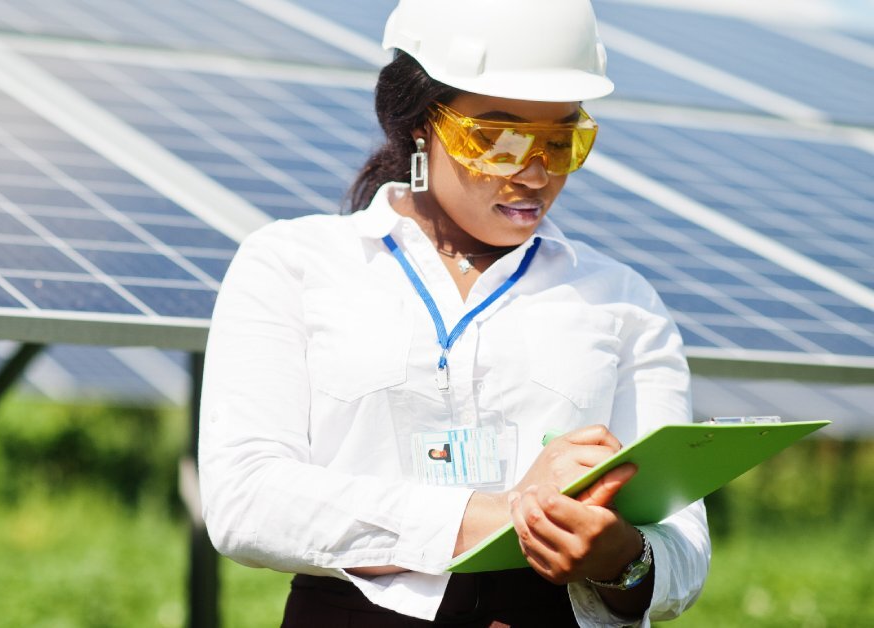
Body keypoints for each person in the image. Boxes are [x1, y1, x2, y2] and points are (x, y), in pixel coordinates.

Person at [198, 0, 711, 625]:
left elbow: (682, 547)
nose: (533, 172)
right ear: (419, 123)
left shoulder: (622, 302)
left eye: (561, 140)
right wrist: (505, 514)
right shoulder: (295, 265)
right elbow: (246, 500)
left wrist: (622, 560)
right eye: (496, 138)